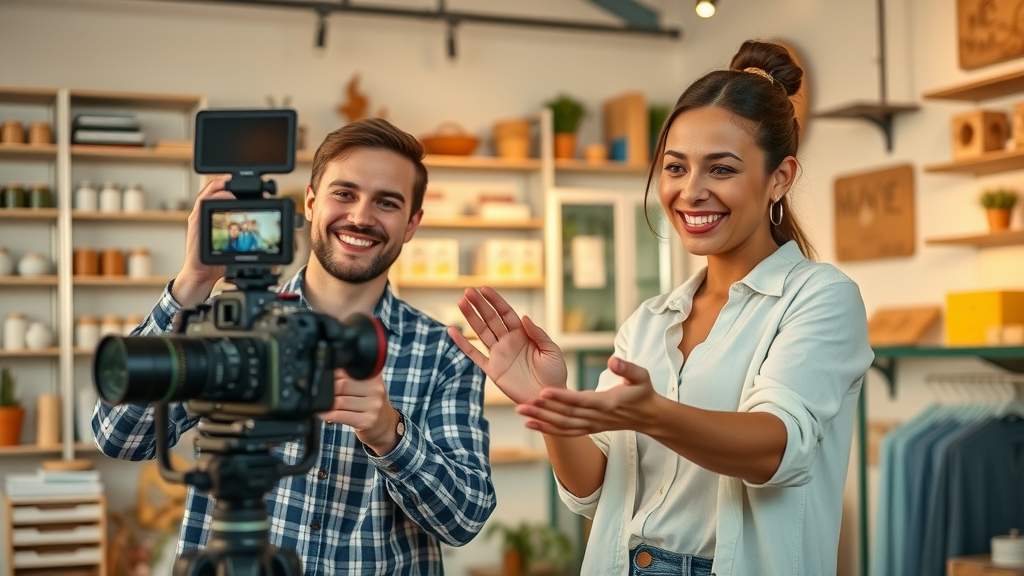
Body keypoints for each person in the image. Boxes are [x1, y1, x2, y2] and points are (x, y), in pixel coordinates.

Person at [450, 40, 873, 576]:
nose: (690, 191)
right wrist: (550, 404)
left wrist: (655, 415)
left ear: (780, 178)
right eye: (675, 167)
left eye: (721, 170)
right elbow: (592, 487)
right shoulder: (649, 320)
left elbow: (776, 449)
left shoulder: (819, 297)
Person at [93, 118, 496, 575]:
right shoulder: (228, 326)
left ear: (411, 225)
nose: (361, 216)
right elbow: (119, 436)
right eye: (344, 193)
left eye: (387, 202)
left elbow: (465, 519)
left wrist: (390, 434)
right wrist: (194, 282)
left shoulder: (444, 352)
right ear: (310, 202)